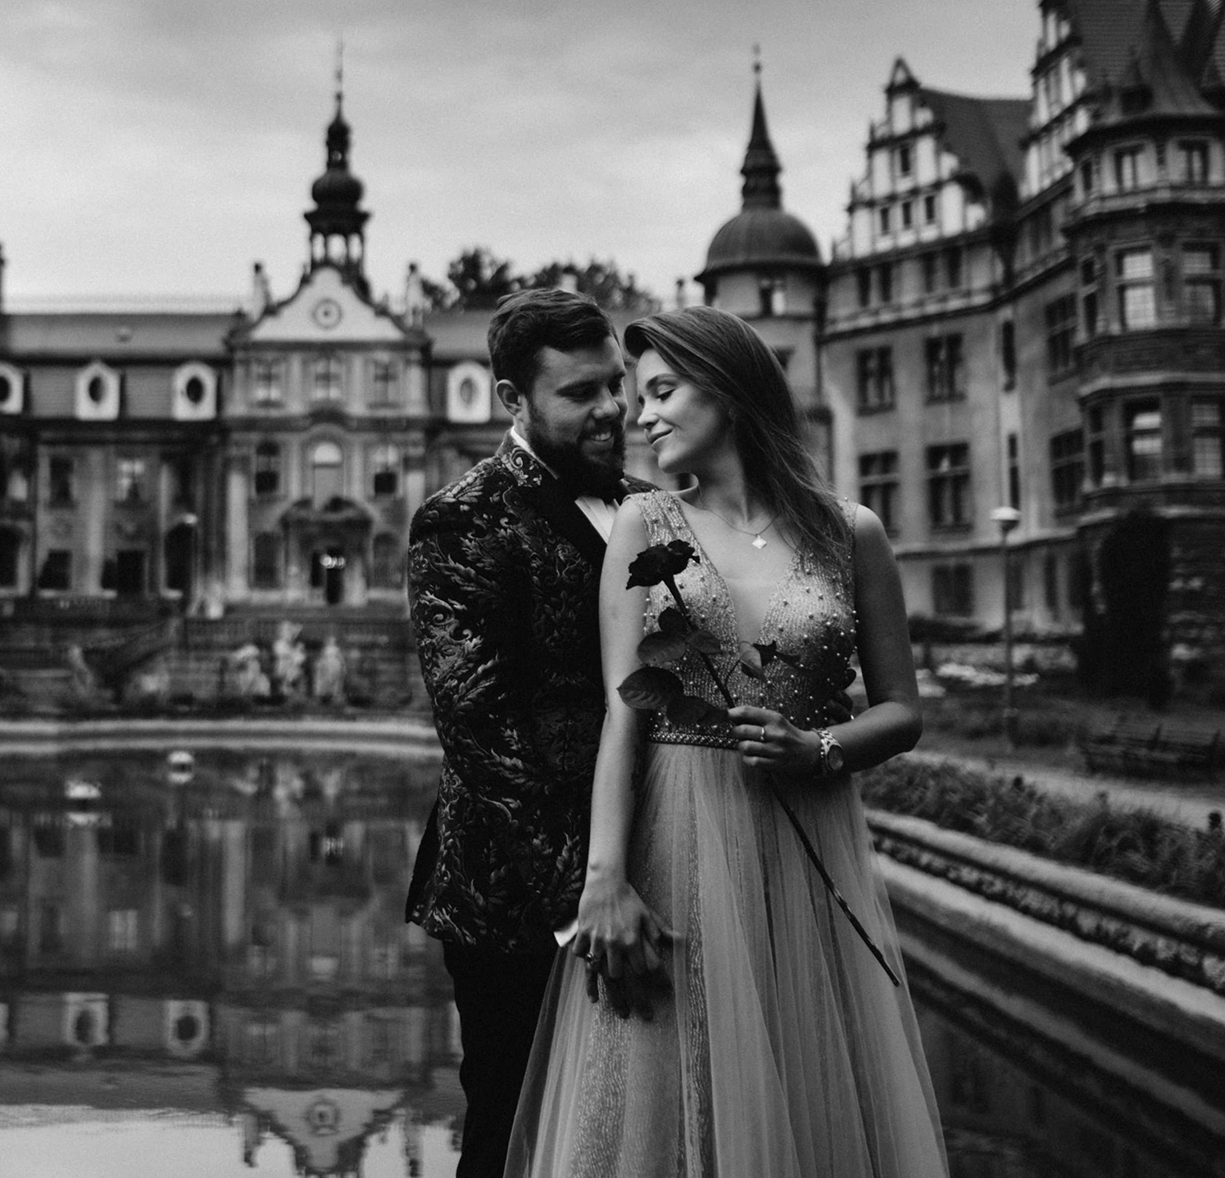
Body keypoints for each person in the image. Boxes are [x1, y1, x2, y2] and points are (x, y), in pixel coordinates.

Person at [505, 305, 948, 1177]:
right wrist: (605, 879)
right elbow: (625, 712)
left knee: (804, 1088)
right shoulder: (644, 524)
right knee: (671, 1102)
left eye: (662, 391)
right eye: (640, 397)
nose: (641, 416)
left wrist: (819, 747)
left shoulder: (849, 531)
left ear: (731, 391)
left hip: (807, 839)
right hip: (677, 841)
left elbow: (902, 710)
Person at [406, 287, 652, 1178]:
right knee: (515, 1127)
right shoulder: (462, 517)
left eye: (615, 384)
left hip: (649, 864)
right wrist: (581, 903)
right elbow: (481, 731)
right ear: (512, 398)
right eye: (580, 393)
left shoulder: (652, 506)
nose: (612, 408)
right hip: (515, 901)